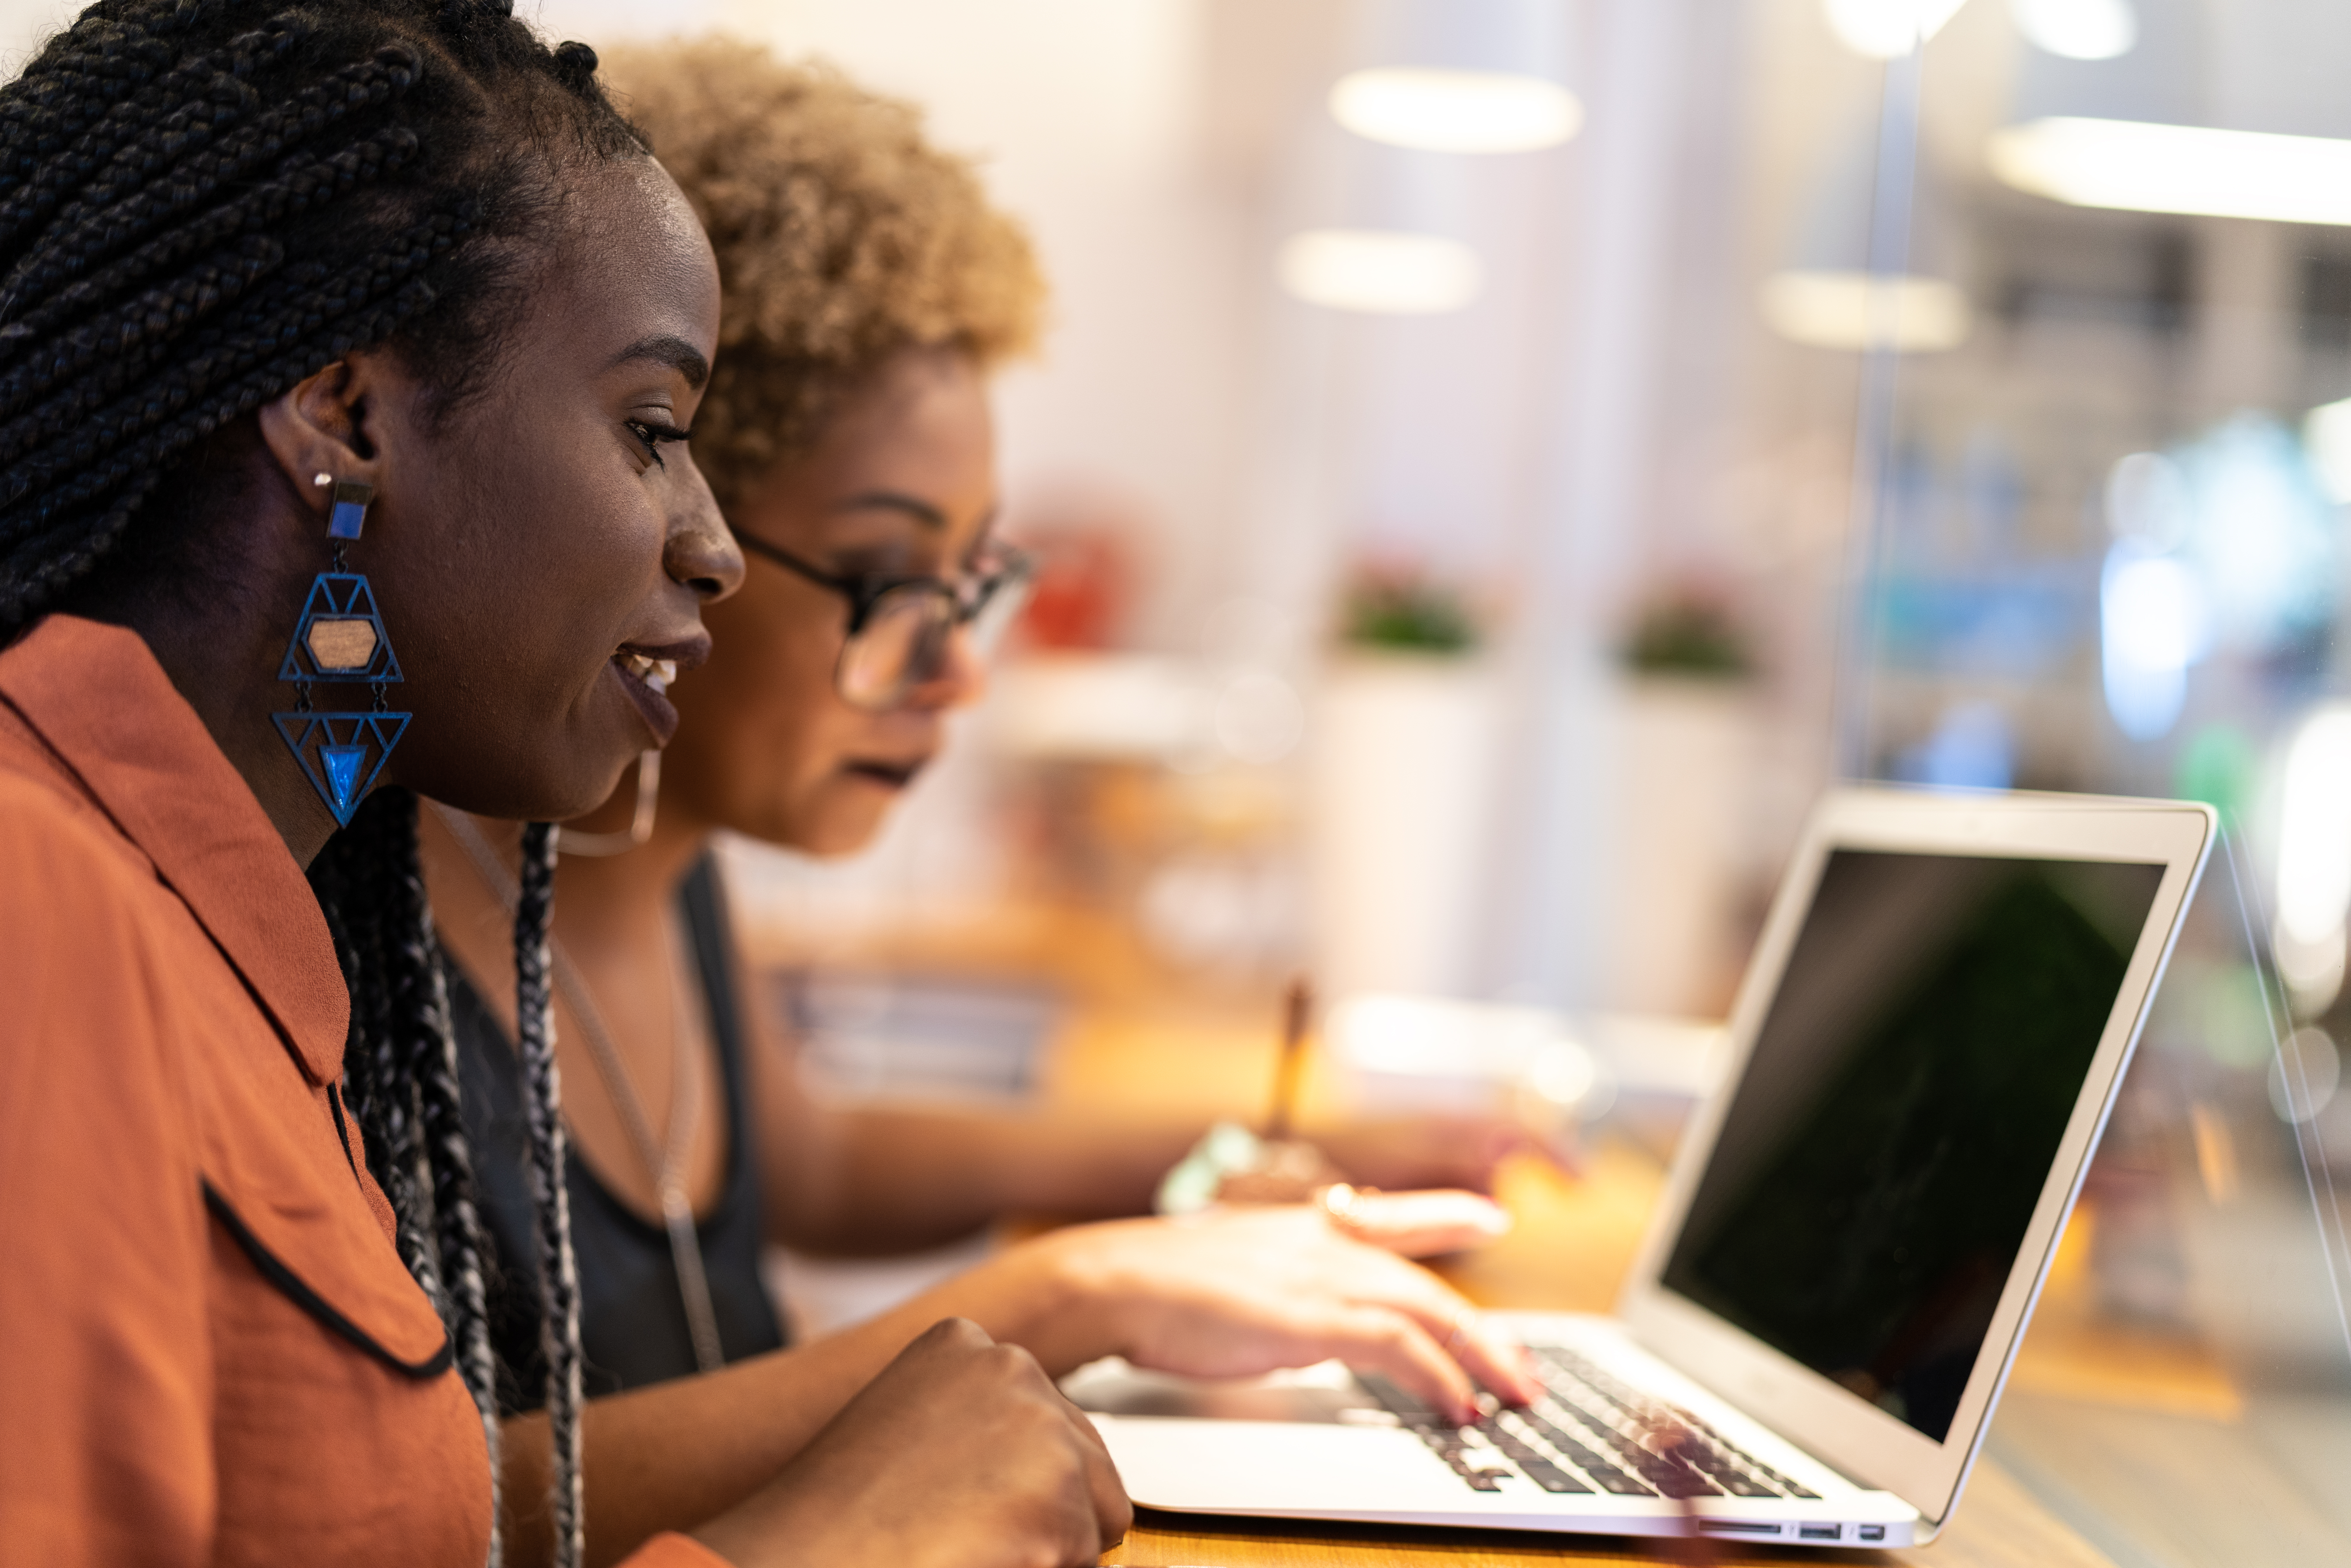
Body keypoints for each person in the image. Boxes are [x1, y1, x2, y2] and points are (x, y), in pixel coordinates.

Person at [0, 5, 1125, 1567]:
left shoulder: (268, 935)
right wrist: (830, 1537)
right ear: (346, 416)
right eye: (654, 428)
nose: (711, 543)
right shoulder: (38, 899)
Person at [412, 41, 1548, 1547]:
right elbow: (418, 1511)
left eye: (973, 585)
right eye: (890, 582)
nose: (955, 674)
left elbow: (803, 1159)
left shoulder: (661, 858)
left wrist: (1209, 1164)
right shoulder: (367, 923)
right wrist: (1067, 1293)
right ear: (660, 518)